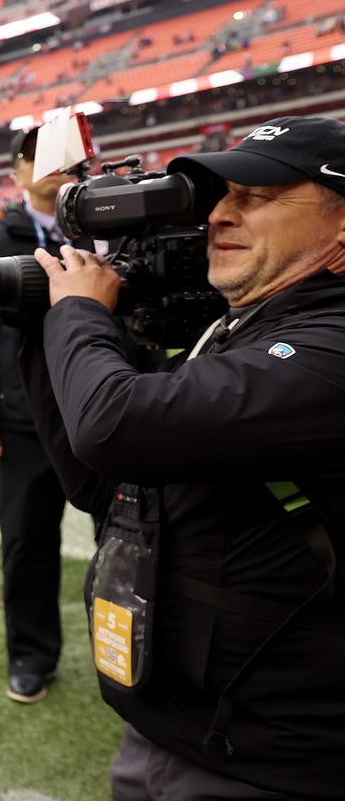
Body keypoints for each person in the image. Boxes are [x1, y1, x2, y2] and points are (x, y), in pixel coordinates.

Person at [21, 116, 345, 799]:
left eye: (257, 196)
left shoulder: (328, 345)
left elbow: (113, 426)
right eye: (222, 196)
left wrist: (77, 314)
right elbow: (103, 486)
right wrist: (35, 328)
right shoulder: (243, 328)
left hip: (271, 763)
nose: (220, 214)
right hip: (170, 729)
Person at [0, 127, 85, 703]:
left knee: (129, 535)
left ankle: (133, 651)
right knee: (27, 543)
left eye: (66, 158)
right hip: (24, 416)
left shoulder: (106, 232)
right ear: (18, 171)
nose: (57, 167)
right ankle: (31, 655)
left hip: (106, 405)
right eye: (42, 158)